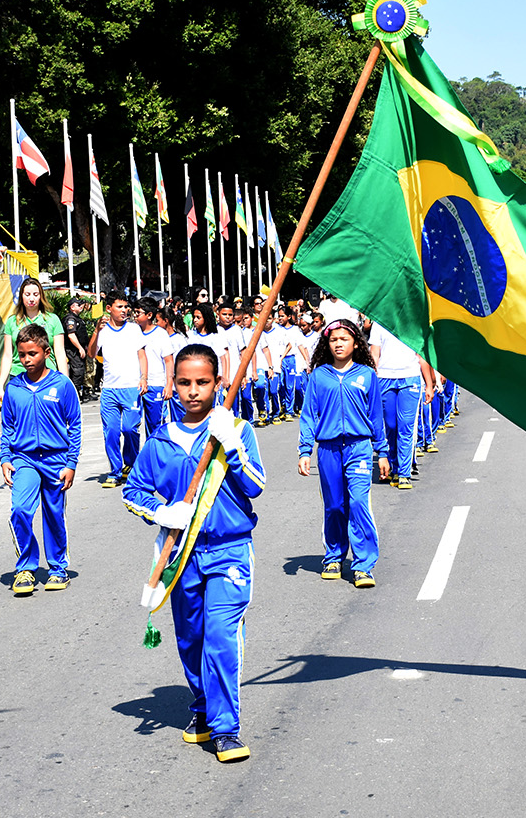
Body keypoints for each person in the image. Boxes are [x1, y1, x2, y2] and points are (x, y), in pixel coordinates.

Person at [122, 344, 266, 763]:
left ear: (218, 383)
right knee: (191, 639)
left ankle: (225, 729)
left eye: (203, 382)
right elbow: (134, 492)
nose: (193, 391)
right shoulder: (161, 439)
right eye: (184, 382)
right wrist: (161, 511)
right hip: (180, 557)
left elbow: (255, 485)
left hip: (229, 551)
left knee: (221, 636)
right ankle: (202, 706)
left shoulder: (236, 429)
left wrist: (232, 448)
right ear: (173, 385)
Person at [297, 320, 389, 588]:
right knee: (335, 505)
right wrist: (305, 450)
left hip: (359, 448)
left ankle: (363, 565)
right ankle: (334, 556)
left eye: (344, 339)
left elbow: (376, 416)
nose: (338, 343)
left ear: (356, 343)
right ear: (327, 344)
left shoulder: (367, 375)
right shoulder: (319, 376)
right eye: (333, 339)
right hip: (328, 450)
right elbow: (308, 415)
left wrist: (381, 451)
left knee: (359, 502)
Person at [0, 324, 82, 594]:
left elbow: (75, 424)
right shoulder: (14, 388)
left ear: (46, 352)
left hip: (56, 460)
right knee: (20, 510)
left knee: (54, 514)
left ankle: (58, 568)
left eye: (32, 354)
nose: (27, 360)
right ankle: (25, 567)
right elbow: (7, 427)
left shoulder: (62, 384)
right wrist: (5, 457)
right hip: (24, 459)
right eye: (22, 355)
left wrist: (71, 464)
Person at [87, 293, 147, 487]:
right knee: (111, 431)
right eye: (120, 307)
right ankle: (115, 471)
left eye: (125, 307)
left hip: (131, 388)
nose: (124, 310)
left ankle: (130, 464)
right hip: (110, 390)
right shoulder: (103, 330)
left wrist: (144, 378)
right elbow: (91, 353)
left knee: (129, 429)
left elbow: (142, 355)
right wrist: (96, 331)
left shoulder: (133, 329)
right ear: (109, 309)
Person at [367, 319, 432, 490]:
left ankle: (404, 473)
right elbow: (374, 353)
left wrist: (429, 385)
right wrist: (372, 377)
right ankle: (394, 467)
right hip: (385, 378)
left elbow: (421, 356)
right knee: (391, 426)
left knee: (406, 426)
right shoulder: (379, 323)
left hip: (410, 378)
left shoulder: (414, 322)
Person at [0, 277, 67, 396]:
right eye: (27, 294)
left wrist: (66, 383)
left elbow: (60, 353)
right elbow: (7, 355)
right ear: (21, 296)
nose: (31, 298)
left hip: (47, 377)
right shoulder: (12, 322)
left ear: (41, 296)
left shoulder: (53, 320)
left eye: (35, 294)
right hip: (19, 376)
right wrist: (0, 386)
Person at [135, 299, 175, 438]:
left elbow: (169, 361)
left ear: (149, 315)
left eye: (138, 313)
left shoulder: (160, 334)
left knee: (154, 425)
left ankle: (155, 454)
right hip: (136, 385)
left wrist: (169, 384)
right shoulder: (133, 332)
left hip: (156, 385)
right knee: (132, 426)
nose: (135, 316)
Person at [62, 298, 89, 395]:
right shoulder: (70, 319)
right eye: (78, 305)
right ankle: (73, 394)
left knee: (80, 371)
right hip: (72, 350)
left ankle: (78, 393)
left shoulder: (77, 318)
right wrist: (79, 348)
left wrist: (84, 346)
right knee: (77, 371)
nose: (81, 306)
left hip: (78, 349)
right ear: (72, 307)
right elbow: (71, 335)